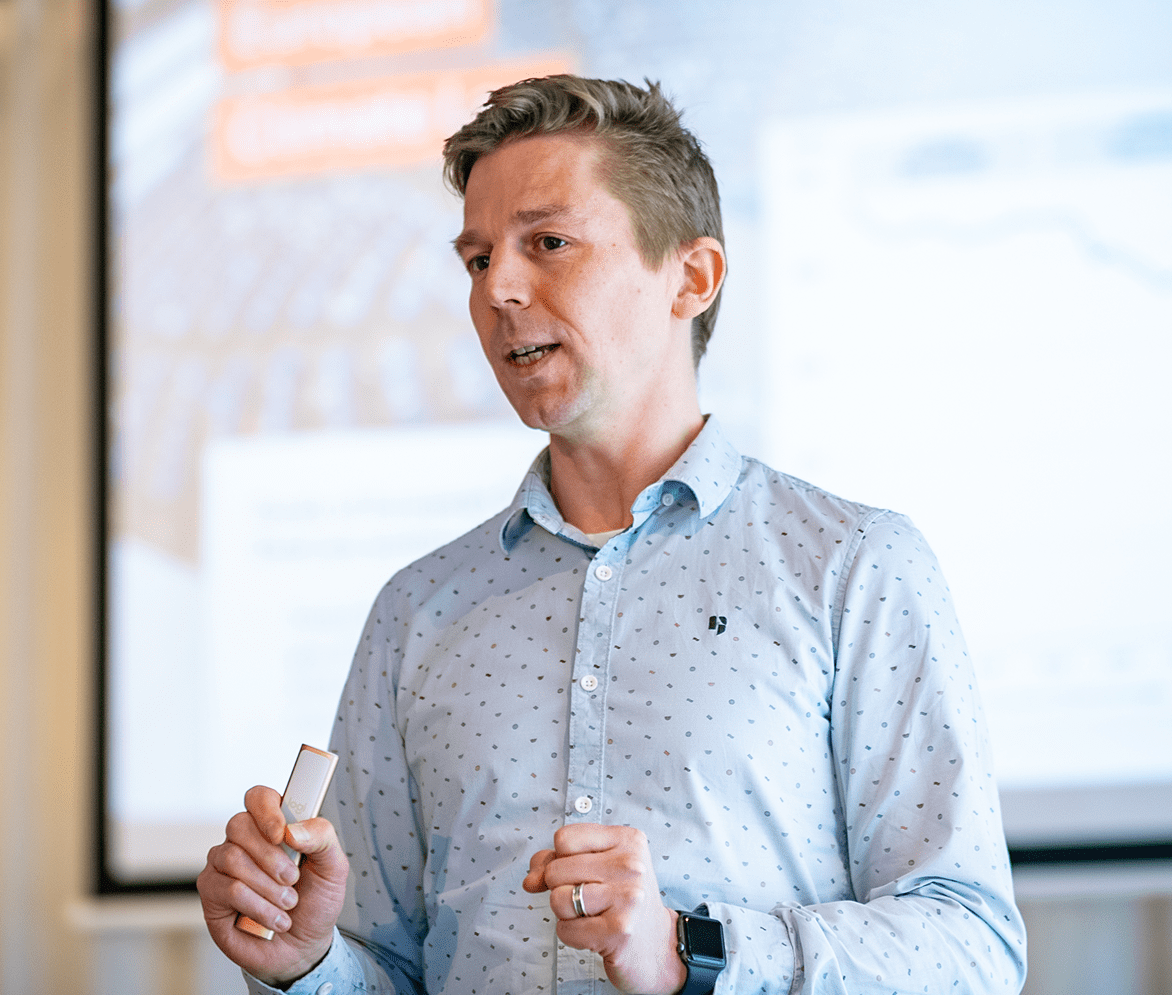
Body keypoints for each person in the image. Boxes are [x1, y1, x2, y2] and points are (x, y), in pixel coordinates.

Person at [198, 75, 1027, 995]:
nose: (500, 289)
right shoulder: (416, 612)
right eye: (477, 259)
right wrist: (308, 964)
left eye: (548, 243)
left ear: (692, 276)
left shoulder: (854, 566)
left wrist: (697, 952)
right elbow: (388, 970)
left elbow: (970, 948)